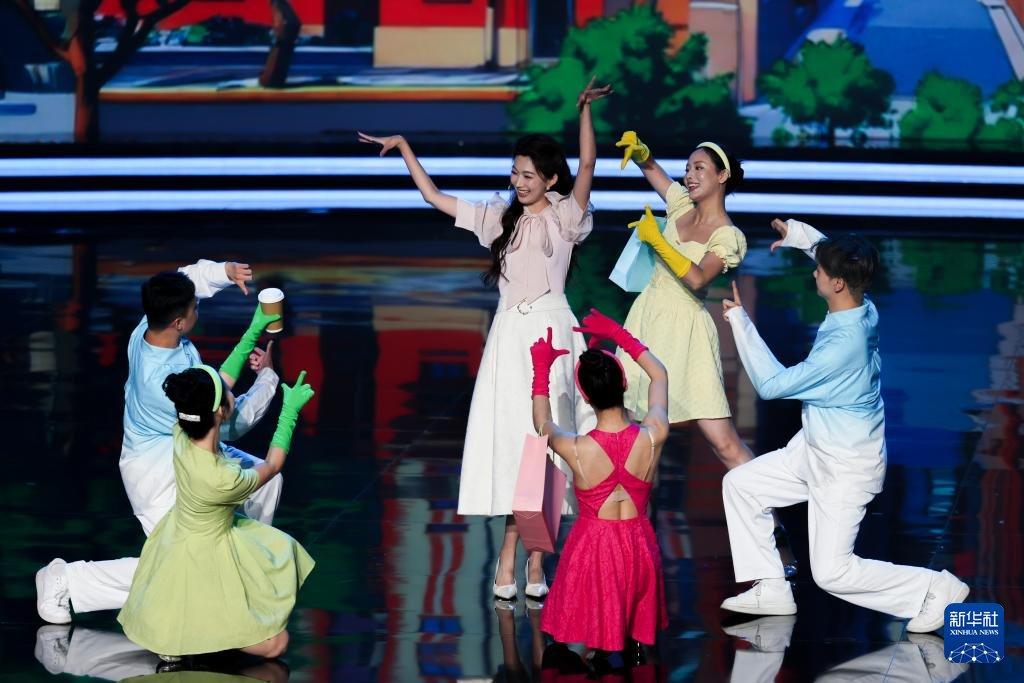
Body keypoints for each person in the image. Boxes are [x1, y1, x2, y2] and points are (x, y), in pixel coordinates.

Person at [358, 78, 612, 599]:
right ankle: (507, 558)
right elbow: (433, 197)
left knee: (553, 450)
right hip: (510, 339)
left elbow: (588, 164)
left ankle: (536, 564)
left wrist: (584, 109)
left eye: (528, 175)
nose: (518, 181)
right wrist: (404, 148)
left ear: (550, 178)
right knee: (517, 449)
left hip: (554, 333)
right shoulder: (499, 217)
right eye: (514, 173)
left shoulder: (567, 216)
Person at [718, 218, 969, 634]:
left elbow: (771, 385)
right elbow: (831, 254)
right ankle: (771, 587)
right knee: (742, 485)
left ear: (837, 283)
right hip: (817, 449)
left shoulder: (841, 347)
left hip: (845, 467)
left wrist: (740, 321)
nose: (815, 272)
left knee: (833, 573)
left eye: (820, 269)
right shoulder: (862, 306)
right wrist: (799, 236)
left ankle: (935, 588)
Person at [35, 261, 281, 623]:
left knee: (265, 481)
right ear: (179, 321)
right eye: (194, 308)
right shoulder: (164, 382)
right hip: (159, 476)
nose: (197, 309)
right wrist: (268, 379)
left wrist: (224, 272)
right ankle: (66, 581)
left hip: (193, 449)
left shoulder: (148, 329)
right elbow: (230, 421)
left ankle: (243, 565)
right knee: (179, 567)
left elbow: (184, 280)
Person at [616, 134, 795, 574]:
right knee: (638, 440)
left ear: (722, 176)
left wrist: (658, 242)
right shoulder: (680, 206)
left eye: (699, 168)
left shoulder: (728, 235)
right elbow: (655, 173)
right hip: (646, 324)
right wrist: (643, 154)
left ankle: (774, 528)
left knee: (723, 441)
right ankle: (633, 546)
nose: (689, 175)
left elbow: (698, 279)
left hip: (687, 334)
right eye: (687, 168)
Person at [118, 366, 315, 660]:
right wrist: (289, 412)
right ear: (221, 411)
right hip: (208, 553)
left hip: (178, 537)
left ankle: (183, 630)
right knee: (277, 643)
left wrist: (250, 347)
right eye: (227, 393)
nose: (231, 391)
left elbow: (208, 392)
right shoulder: (223, 479)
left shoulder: (181, 433)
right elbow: (272, 465)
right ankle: (194, 634)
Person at [530, 310, 669, 656]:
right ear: (624, 385)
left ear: (586, 397)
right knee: (638, 649)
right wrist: (620, 336)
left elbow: (542, 423)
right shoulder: (654, 435)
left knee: (581, 649)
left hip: (593, 551)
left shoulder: (576, 448)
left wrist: (541, 371)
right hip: (639, 546)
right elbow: (659, 374)